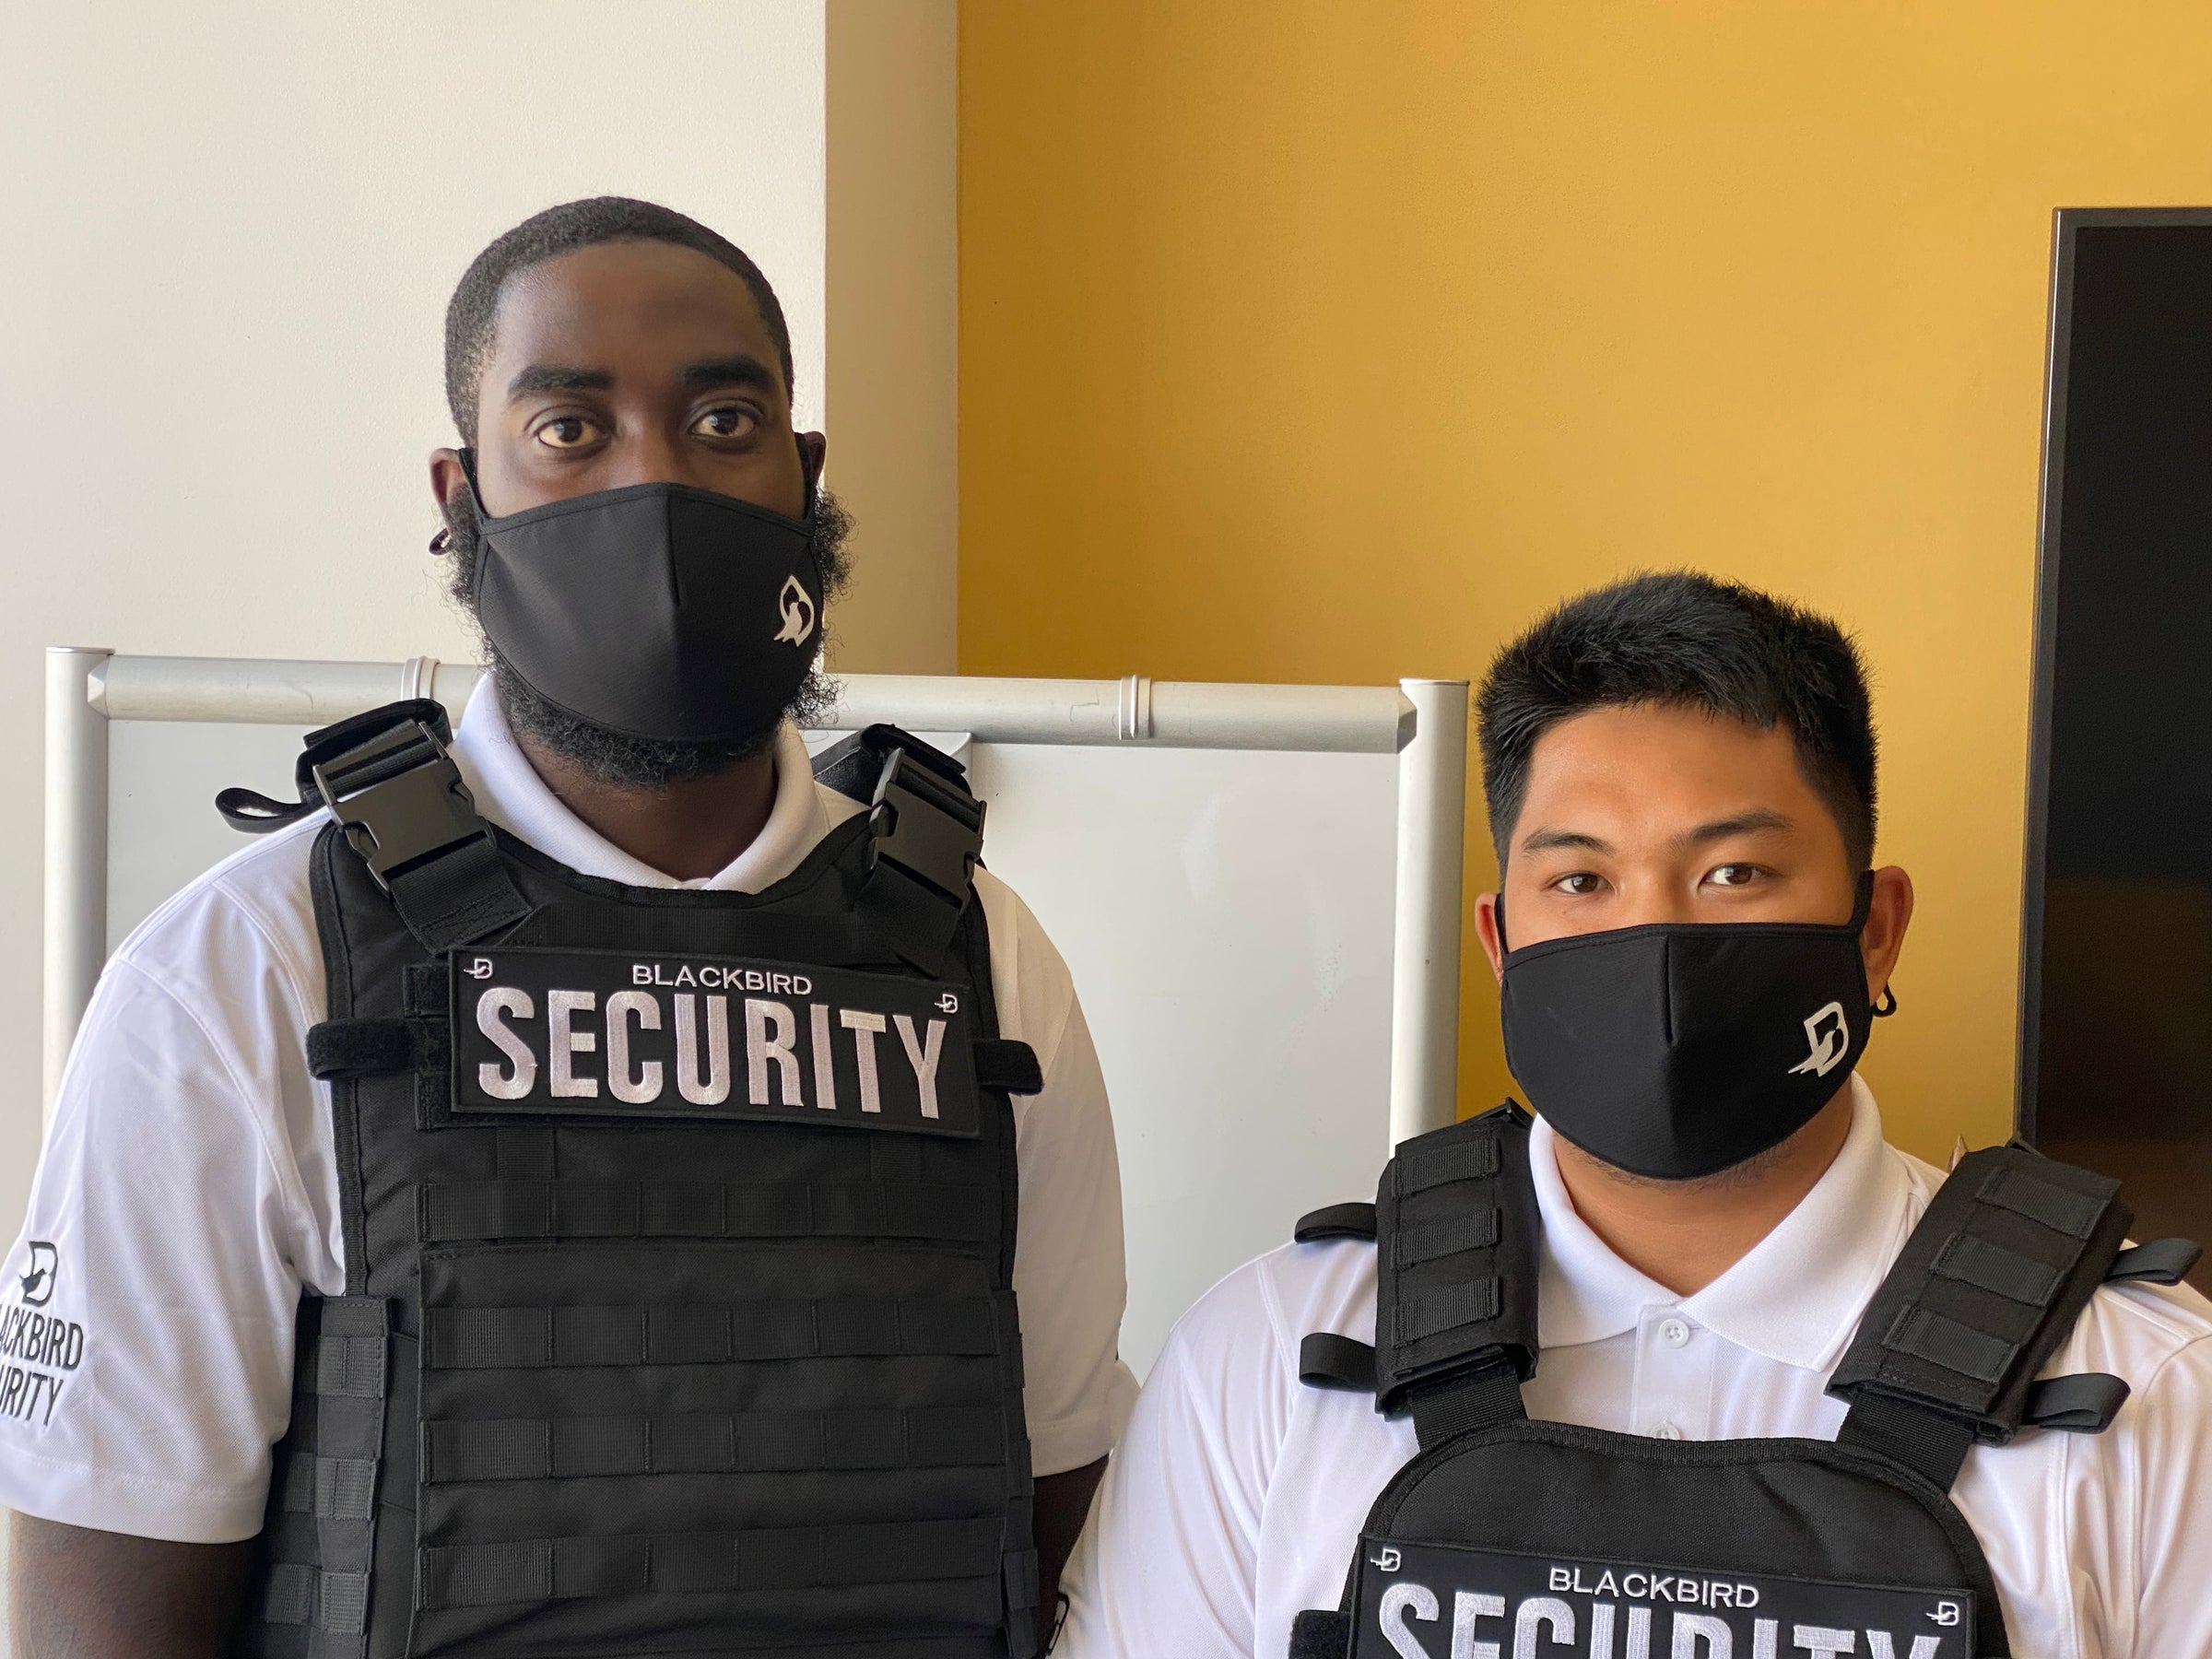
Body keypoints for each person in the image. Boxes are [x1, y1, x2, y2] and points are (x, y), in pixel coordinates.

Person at [2, 196, 1135, 1658]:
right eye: (568, 429)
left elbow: (1067, 1524)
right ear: (461, 496)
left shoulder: (980, 953)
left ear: (804, 477)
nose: (653, 484)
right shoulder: (248, 968)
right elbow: (101, 1605)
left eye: (723, 420)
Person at [1059, 572, 2212, 1659]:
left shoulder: (2151, 1392)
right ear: (1500, 945)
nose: (1654, 942)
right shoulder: (1275, 1354)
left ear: (1875, 932)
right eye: (1581, 881)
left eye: (1733, 875)